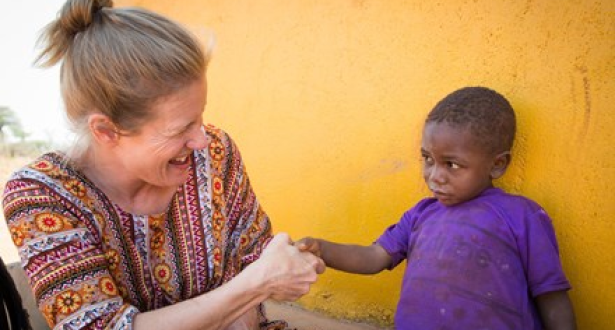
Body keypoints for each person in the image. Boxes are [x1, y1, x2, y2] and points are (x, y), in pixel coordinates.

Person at [2, 0, 325, 329]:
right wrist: (254, 285)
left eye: (200, 117)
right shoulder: (41, 196)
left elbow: (255, 254)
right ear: (106, 131)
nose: (201, 139)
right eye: (182, 128)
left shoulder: (215, 154)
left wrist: (285, 264)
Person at [297, 87, 576, 330]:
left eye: (451, 164)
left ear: (497, 164)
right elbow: (374, 256)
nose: (435, 176)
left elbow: (551, 295)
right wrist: (323, 249)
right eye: (427, 159)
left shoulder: (522, 216)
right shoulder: (421, 214)